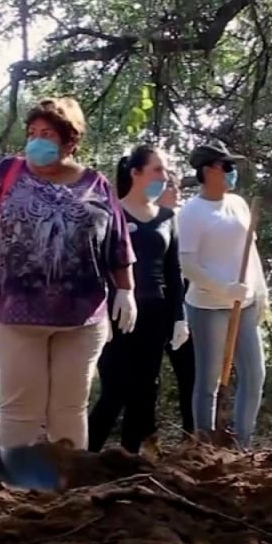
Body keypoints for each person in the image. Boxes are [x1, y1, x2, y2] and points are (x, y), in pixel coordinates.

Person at [0, 97, 135, 452]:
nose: (36, 141)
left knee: (69, 408)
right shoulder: (8, 172)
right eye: (32, 133)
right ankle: (16, 491)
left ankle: (64, 491)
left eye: (47, 134)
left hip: (82, 318)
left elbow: (117, 242)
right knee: (21, 407)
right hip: (13, 312)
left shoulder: (96, 185)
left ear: (70, 141)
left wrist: (126, 291)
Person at [88, 145, 189, 454]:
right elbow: (98, 265)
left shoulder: (168, 217)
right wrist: (100, 311)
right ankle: (83, 458)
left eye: (166, 170)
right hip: (118, 312)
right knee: (115, 388)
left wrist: (179, 317)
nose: (164, 176)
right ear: (135, 173)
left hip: (155, 312)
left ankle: (131, 459)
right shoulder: (110, 212)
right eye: (157, 169)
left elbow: (173, 273)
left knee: (146, 389)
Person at [177, 141, 269, 449]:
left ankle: (243, 445)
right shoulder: (191, 212)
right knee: (208, 382)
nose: (232, 173)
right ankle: (205, 447)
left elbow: (250, 250)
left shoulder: (239, 204)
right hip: (207, 307)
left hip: (244, 304)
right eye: (226, 167)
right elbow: (187, 263)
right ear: (208, 171)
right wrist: (224, 288)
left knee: (254, 375)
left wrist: (261, 291)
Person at [158, 170, 196, 433]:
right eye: (171, 185)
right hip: (149, 306)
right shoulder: (139, 221)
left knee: (189, 375)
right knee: (146, 379)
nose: (177, 191)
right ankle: (145, 439)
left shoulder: (185, 221)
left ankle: (191, 435)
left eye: (178, 186)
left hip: (181, 305)